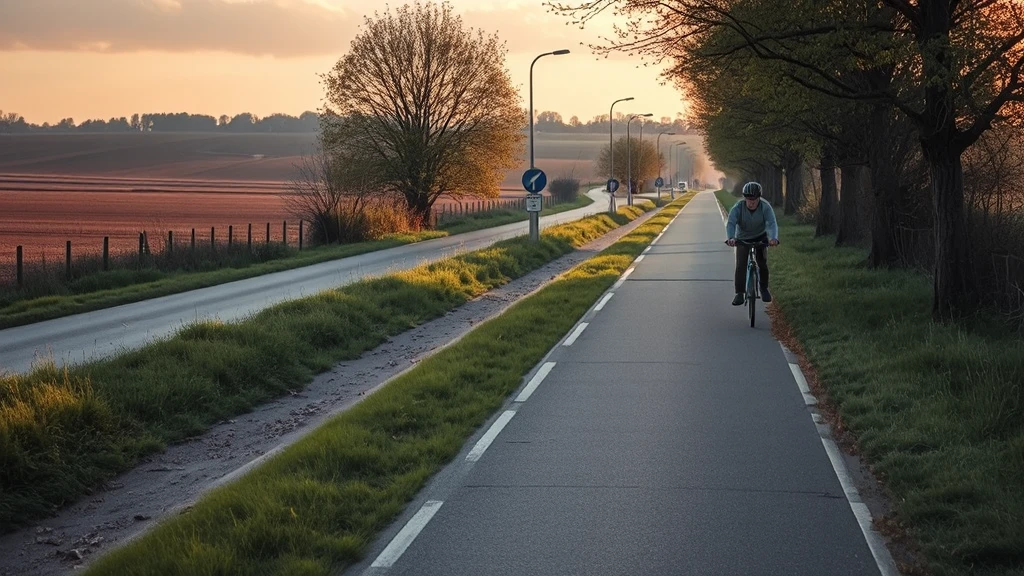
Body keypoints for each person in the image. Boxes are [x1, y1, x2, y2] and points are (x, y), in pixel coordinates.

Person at [726, 182, 779, 306]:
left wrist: (773, 238)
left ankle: (764, 288)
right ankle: (739, 293)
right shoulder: (738, 207)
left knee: (762, 263)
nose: (752, 202)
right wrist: (731, 238)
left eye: (754, 199)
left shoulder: (765, 207)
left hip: (760, 237)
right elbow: (731, 223)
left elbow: (772, 223)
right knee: (741, 265)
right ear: (744, 198)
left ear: (759, 198)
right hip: (742, 238)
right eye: (749, 199)